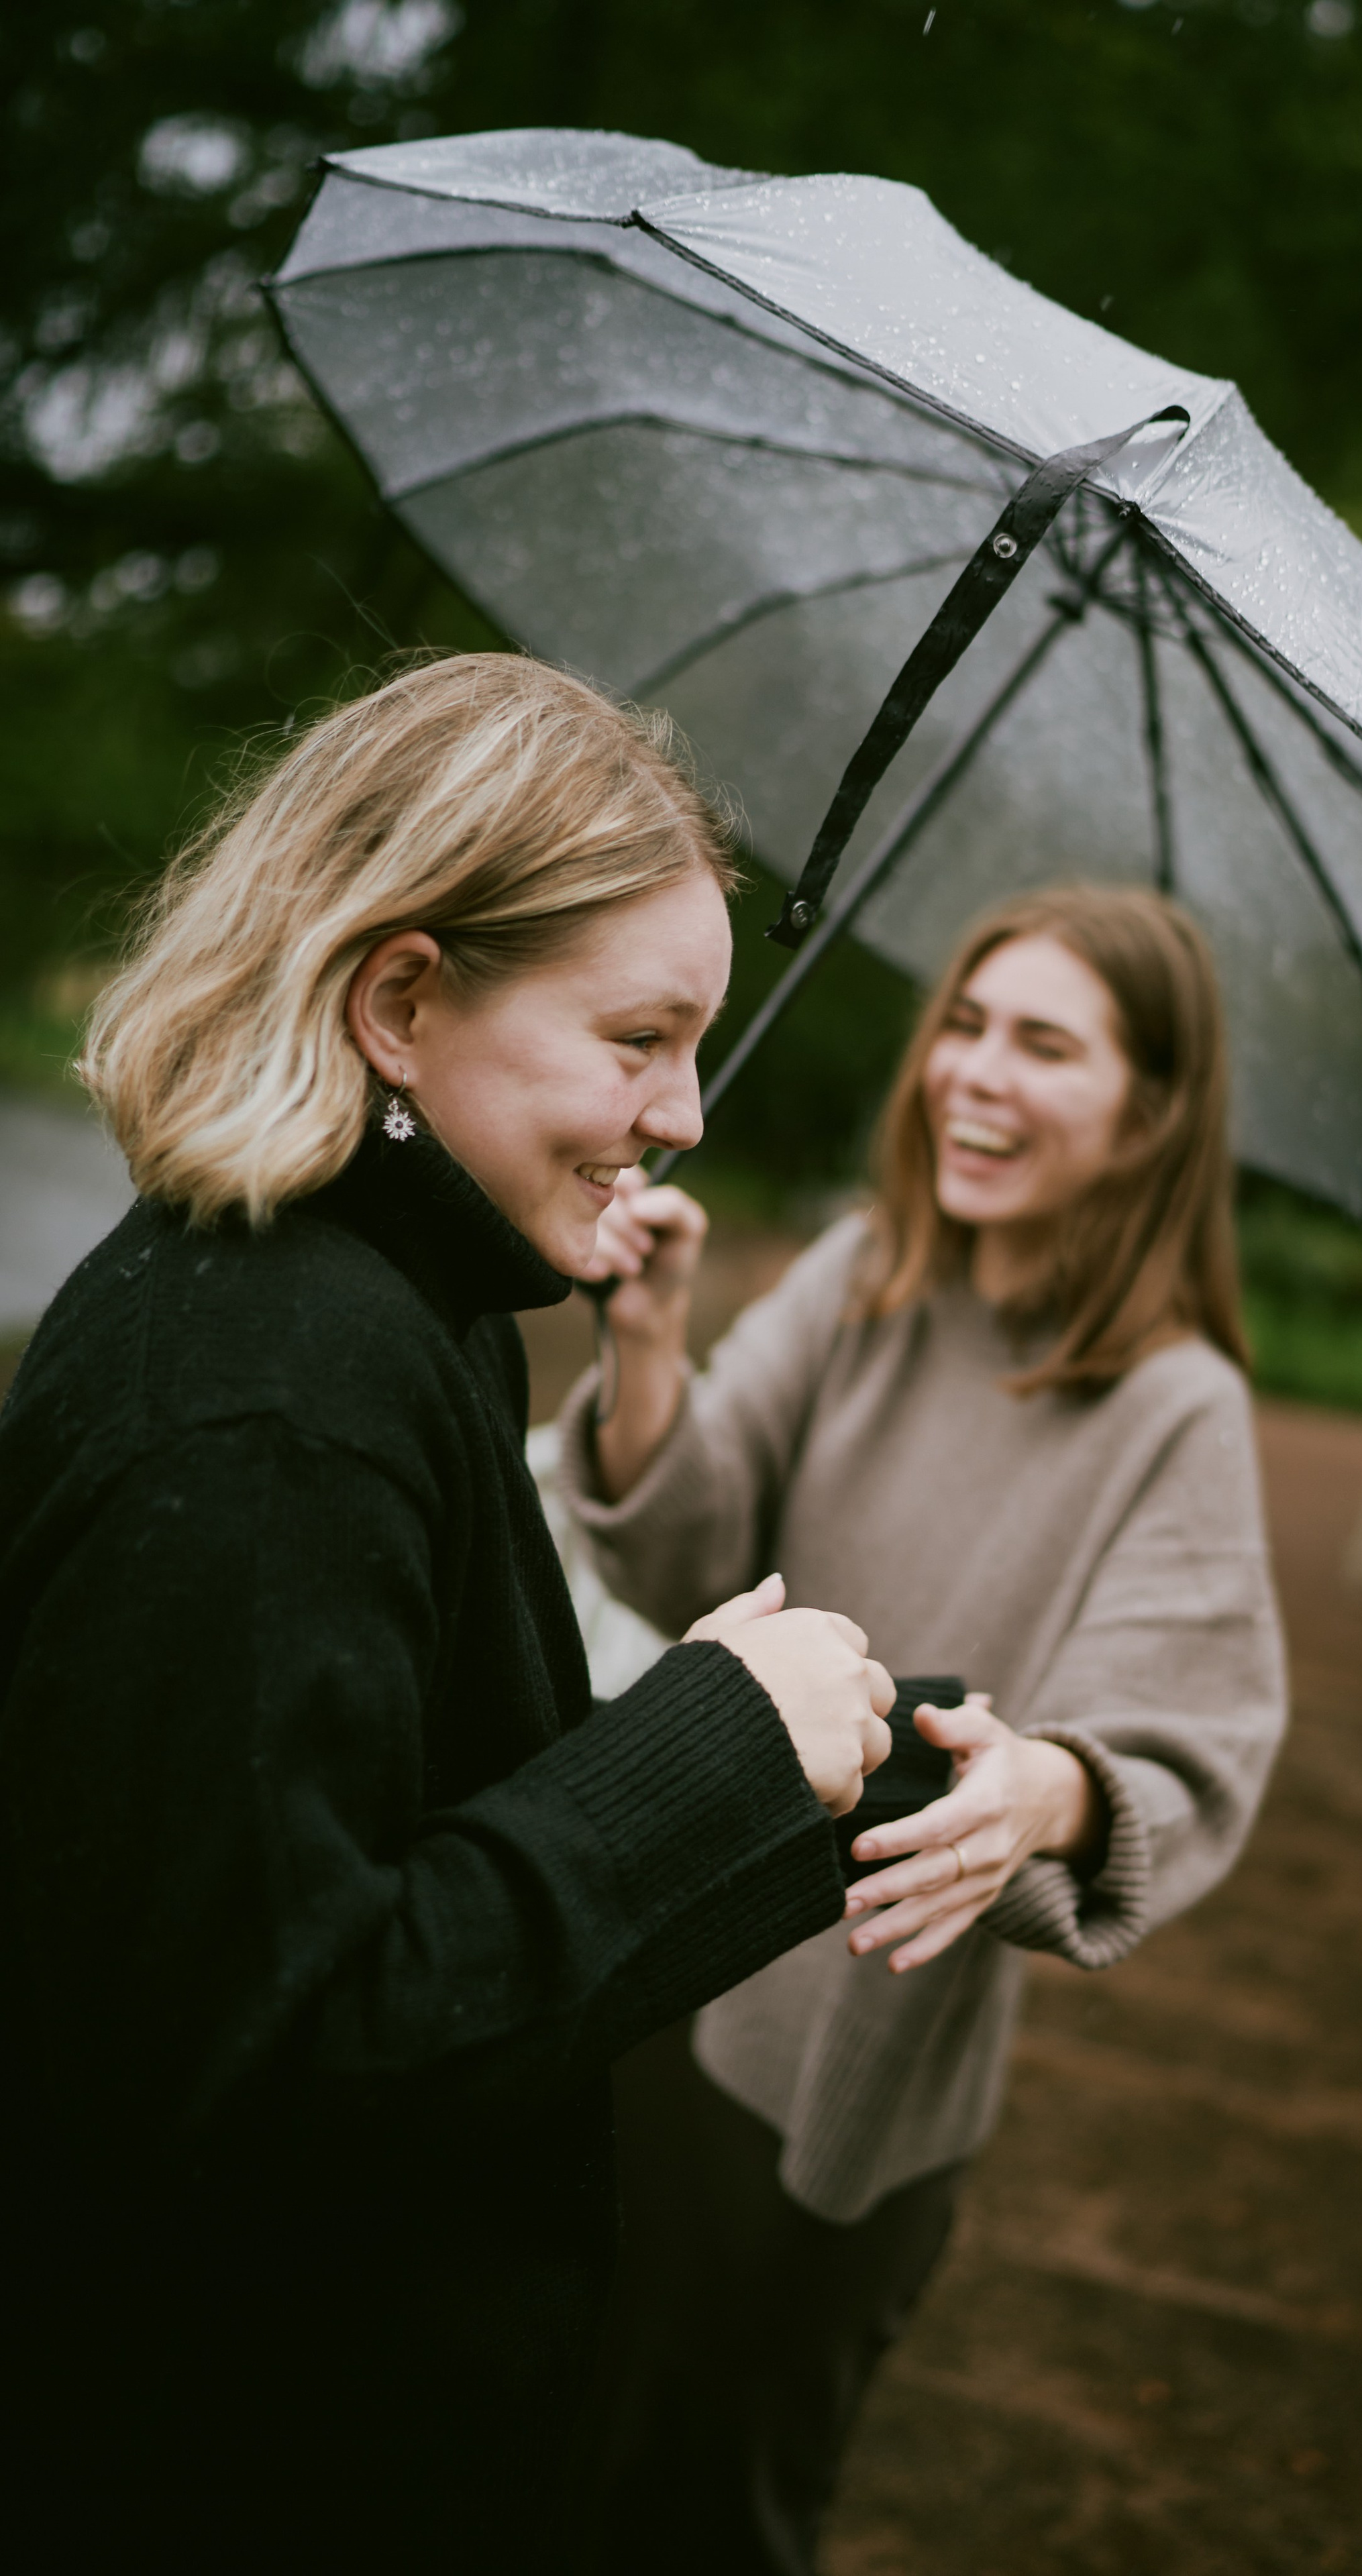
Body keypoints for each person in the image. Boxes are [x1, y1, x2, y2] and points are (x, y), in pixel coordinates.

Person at [0, 653, 896, 2573]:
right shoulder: (265, 1398)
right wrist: (720, 1743)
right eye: (637, 1039)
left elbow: (418, 1828)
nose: (685, 1116)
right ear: (402, 999)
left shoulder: (422, 1323)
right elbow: (264, 2060)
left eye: (694, 1047)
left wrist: (858, 1776)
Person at [560, 880, 1290, 2574]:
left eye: (1044, 1044)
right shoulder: (861, 1277)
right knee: (566, 2437)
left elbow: (1181, 1747)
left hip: (845, 2054)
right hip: (663, 1946)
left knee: (718, 2496)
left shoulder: (1176, 1406)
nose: (973, 1072)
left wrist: (1035, 1789)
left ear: (1149, 1113)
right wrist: (652, 1346)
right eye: (963, 1024)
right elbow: (684, 1552)